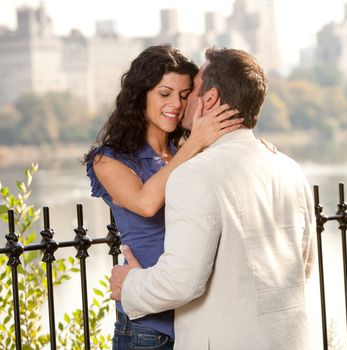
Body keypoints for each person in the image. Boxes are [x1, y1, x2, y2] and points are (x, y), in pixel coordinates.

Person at [110, 48, 316, 350]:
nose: (181, 103)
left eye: (191, 91)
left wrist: (128, 284)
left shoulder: (194, 175)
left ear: (209, 99)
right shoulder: (290, 168)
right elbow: (304, 265)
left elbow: (182, 282)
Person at [84, 44, 243, 349]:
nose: (177, 104)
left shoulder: (189, 154)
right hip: (147, 329)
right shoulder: (108, 160)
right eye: (165, 93)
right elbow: (146, 203)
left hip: (197, 324)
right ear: (141, 94)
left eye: (185, 95)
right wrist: (195, 142)